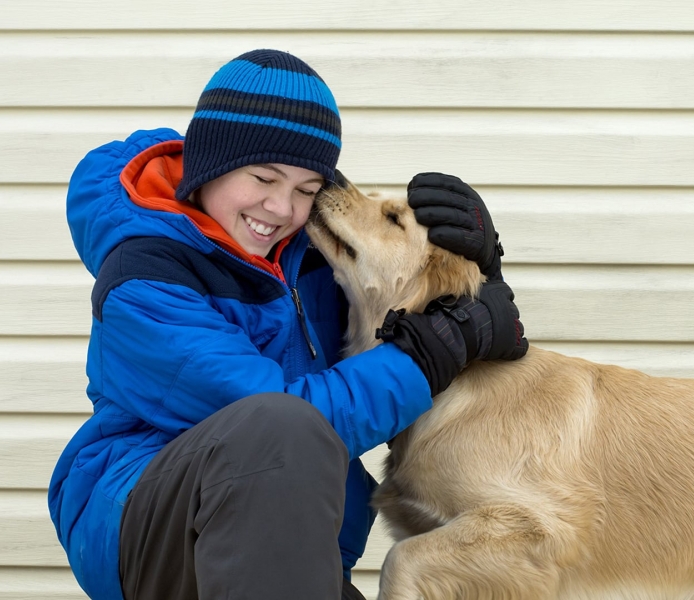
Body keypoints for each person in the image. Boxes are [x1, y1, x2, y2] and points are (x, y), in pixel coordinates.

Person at [47, 48, 528, 600]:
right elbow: (281, 412)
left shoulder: (303, 253)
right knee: (280, 422)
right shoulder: (147, 276)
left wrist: (473, 275)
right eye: (263, 177)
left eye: (306, 190)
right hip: (147, 521)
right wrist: (430, 353)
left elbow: (397, 307)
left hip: (285, 537)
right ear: (210, 165)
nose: (280, 209)